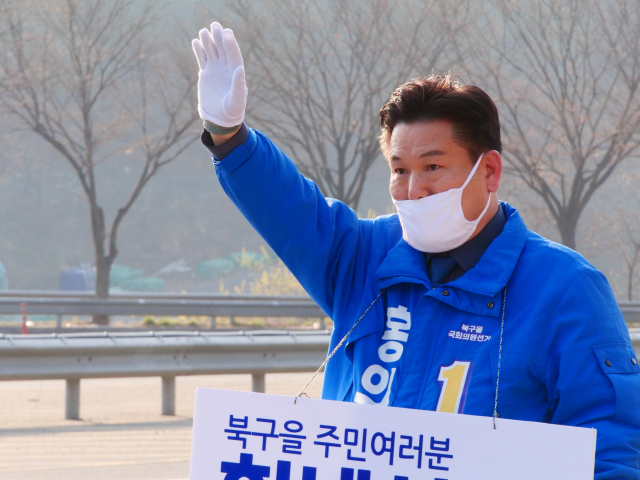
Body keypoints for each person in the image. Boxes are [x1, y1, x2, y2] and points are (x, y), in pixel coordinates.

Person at [192, 22, 640, 478]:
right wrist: (229, 137)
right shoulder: (365, 258)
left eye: (433, 166)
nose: (415, 189)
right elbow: (289, 210)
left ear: (488, 172)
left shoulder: (565, 289)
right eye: (399, 169)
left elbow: (609, 445)